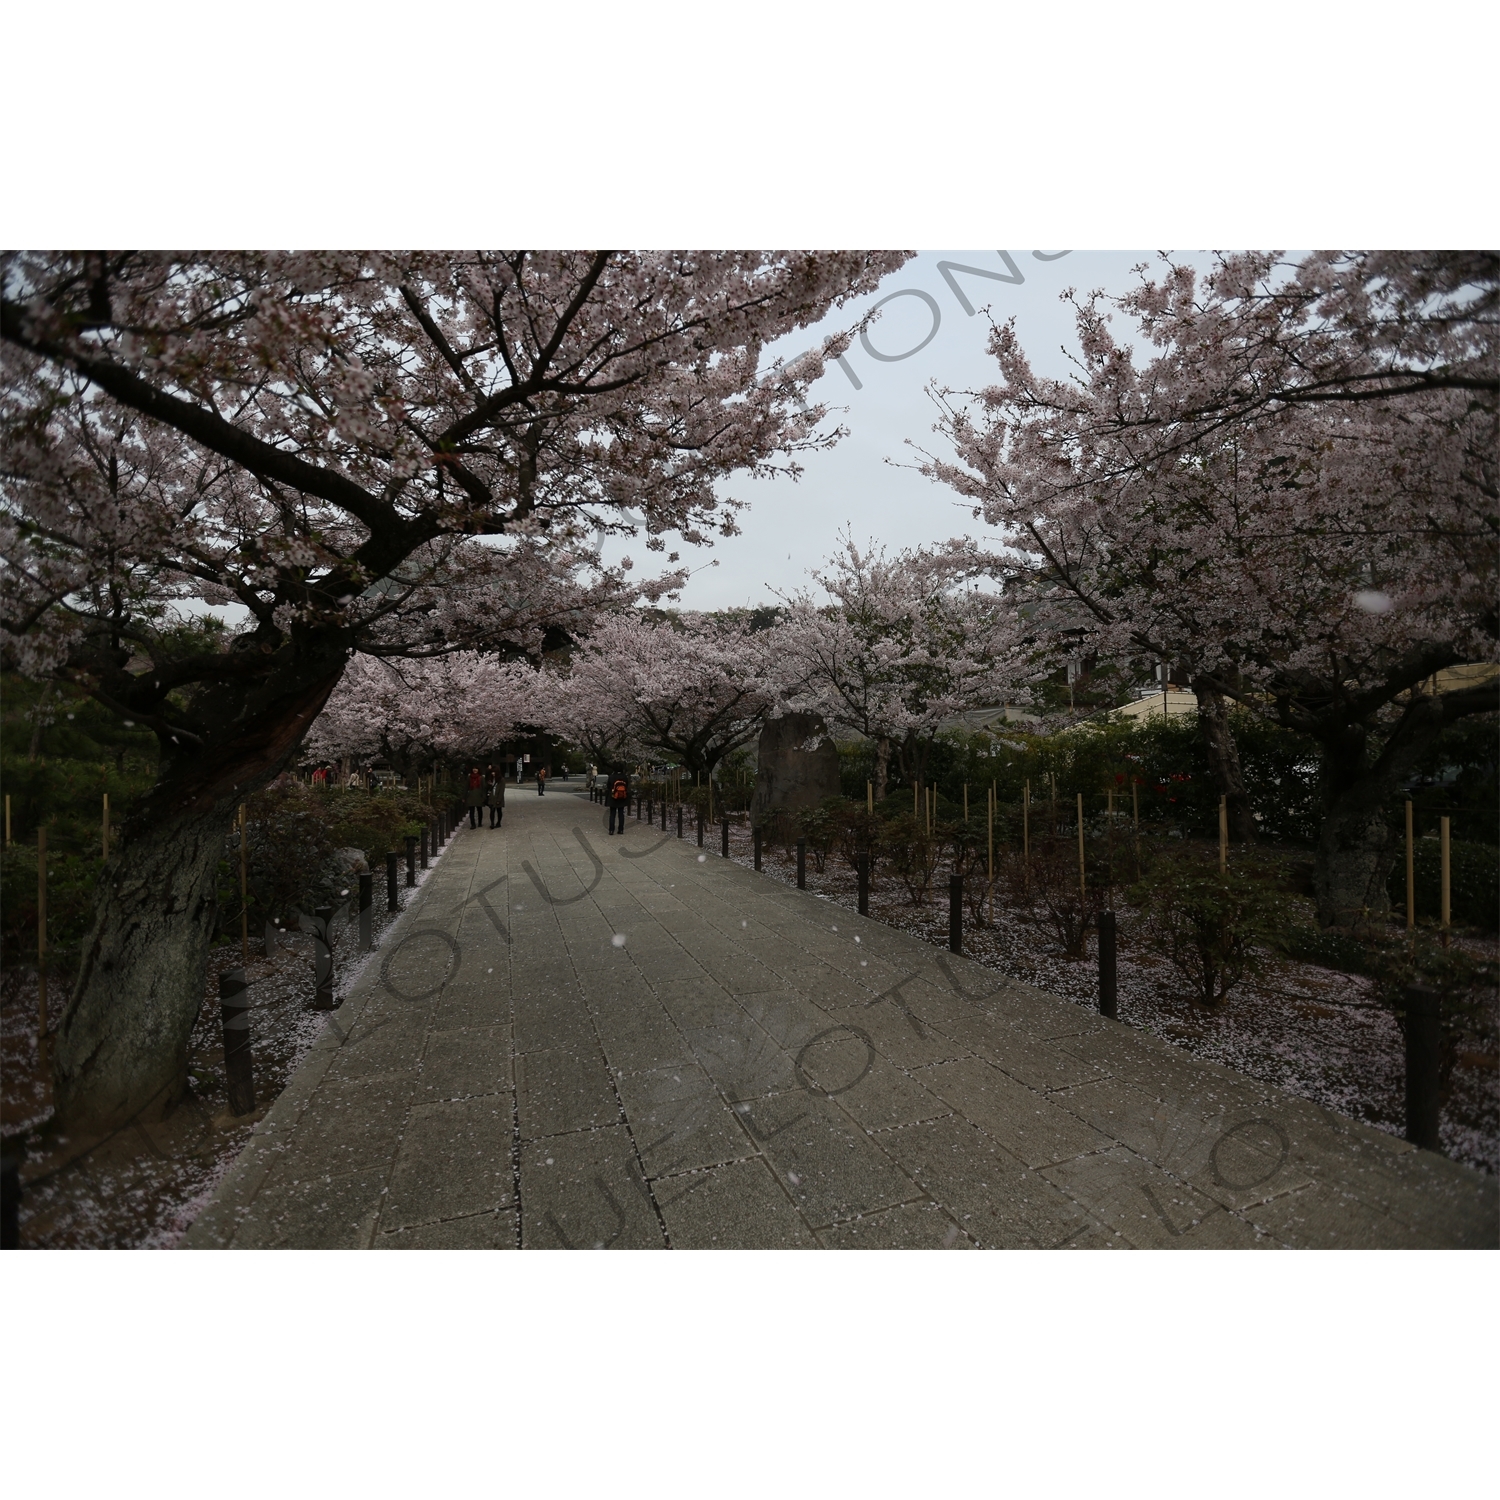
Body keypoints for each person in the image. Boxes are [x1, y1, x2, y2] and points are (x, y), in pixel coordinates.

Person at [607, 768, 629, 834]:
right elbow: (627, 786)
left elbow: (608, 786)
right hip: (622, 797)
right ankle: (621, 829)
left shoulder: (611, 777)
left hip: (613, 796)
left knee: (612, 814)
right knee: (621, 813)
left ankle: (611, 830)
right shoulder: (624, 777)